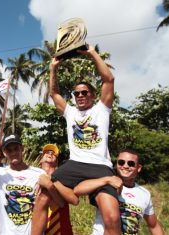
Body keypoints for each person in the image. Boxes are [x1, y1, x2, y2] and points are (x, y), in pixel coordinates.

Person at [32, 45, 120, 235]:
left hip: (100, 165)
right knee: (42, 195)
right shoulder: (70, 112)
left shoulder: (101, 109)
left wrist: (91, 53)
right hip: (75, 164)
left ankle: (78, 193)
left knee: (112, 217)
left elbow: (109, 79)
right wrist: (53, 68)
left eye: (84, 92)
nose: (80, 96)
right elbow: (54, 94)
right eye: (76, 93)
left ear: (93, 95)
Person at [74, 150, 165, 235]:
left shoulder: (145, 194)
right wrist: (106, 180)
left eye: (131, 163)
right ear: (116, 164)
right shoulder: (106, 184)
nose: (125, 166)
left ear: (139, 168)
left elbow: (154, 225)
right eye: (121, 162)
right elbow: (78, 190)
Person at [38, 144, 73, 235]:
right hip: (38, 228)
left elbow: (64, 202)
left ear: (56, 162)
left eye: (53, 154)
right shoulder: (32, 177)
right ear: (40, 160)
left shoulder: (63, 177)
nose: (50, 154)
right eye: (46, 152)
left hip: (60, 228)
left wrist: (50, 183)